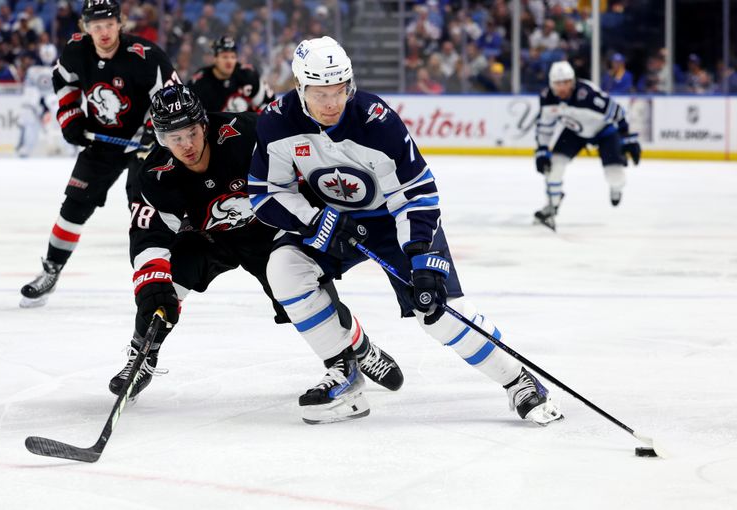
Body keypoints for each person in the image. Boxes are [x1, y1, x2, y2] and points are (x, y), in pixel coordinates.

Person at [248, 36, 562, 426]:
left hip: (391, 223)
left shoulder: (378, 123)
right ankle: (345, 375)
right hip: (331, 223)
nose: (331, 103)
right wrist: (314, 220)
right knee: (283, 269)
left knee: (438, 312)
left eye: (339, 91)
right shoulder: (277, 122)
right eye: (319, 93)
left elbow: (416, 194)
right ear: (299, 87)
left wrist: (419, 256)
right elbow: (266, 193)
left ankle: (519, 381)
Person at [109, 84, 403, 403]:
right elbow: (149, 233)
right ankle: (141, 357)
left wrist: (320, 213)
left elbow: (300, 163)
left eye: (191, 132)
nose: (187, 145)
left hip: (267, 230)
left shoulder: (245, 133)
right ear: (161, 139)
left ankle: (354, 348)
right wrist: (153, 279)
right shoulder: (155, 174)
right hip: (206, 238)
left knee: (300, 293)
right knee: (163, 288)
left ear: (204, 124)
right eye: (174, 138)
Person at [19, 0, 180, 307]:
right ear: (85, 28)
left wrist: (155, 129)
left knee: (146, 211)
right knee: (74, 205)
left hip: (146, 146)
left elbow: (173, 97)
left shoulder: (146, 56)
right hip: (102, 143)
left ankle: (166, 278)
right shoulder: (76, 51)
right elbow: (63, 80)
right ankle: (51, 270)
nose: (103, 32)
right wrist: (70, 116)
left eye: (108, 24)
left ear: (120, 23)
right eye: (96, 26)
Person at [533, 61, 641, 231]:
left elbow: (619, 113)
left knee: (615, 176)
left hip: (603, 132)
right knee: (554, 167)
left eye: (566, 82)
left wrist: (629, 138)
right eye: (558, 83)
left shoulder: (589, 95)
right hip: (574, 132)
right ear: (551, 83)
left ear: (573, 81)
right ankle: (552, 207)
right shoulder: (547, 98)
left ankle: (616, 188)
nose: (562, 88)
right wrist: (542, 149)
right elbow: (545, 127)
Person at [188, 36, 275, 113]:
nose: (229, 61)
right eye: (225, 57)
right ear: (215, 58)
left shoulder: (247, 74)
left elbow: (269, 102)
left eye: (233, 57)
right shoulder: (200, 80)